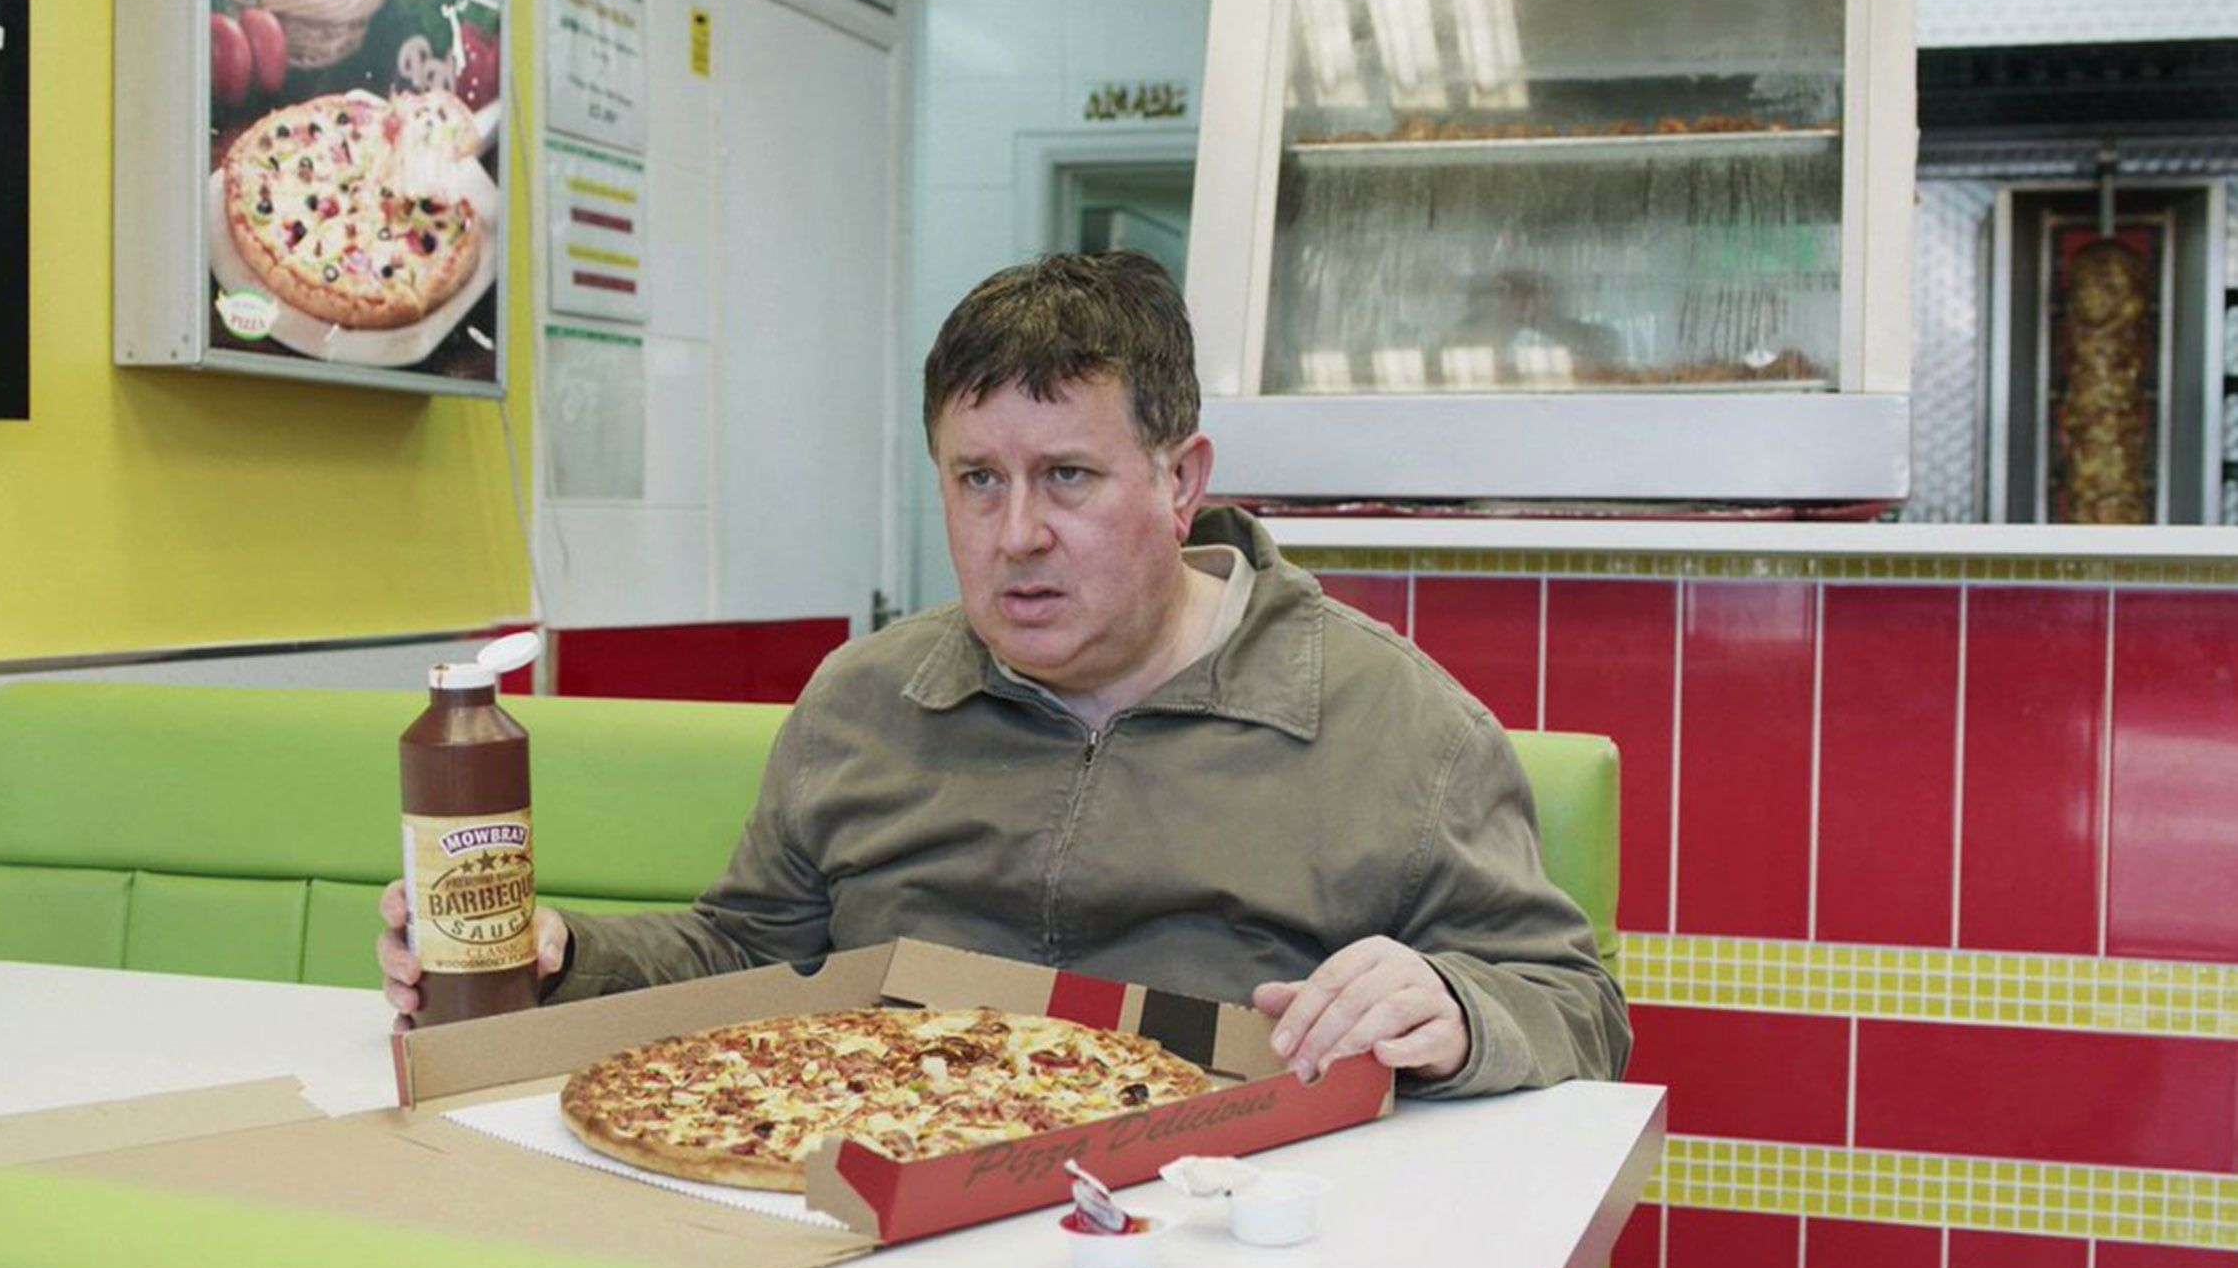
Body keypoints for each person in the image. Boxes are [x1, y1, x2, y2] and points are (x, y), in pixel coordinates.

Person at [380, 251, 1628, 1093]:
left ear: (1181, 480)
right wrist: (559, 957)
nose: (1016, 534)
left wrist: (1456, 1009)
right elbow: (745, 956)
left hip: (1224, 1224)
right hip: (879, 1198)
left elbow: (1573, 1004)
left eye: (1066, 478)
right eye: (978, 480)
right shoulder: (865, 699)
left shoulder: (1392, 721)